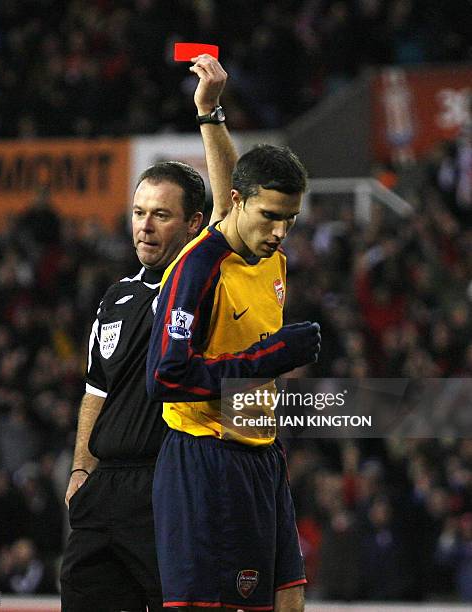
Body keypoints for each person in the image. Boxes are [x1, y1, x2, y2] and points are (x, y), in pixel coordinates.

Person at [60, 54, 238, 612]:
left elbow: (230, 203)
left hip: (169, 486)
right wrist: (80, 470)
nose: (144, 225)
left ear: (191, 225)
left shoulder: (199, 277)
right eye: (138, 212)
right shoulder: (116, 296)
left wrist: (210, 116)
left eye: (161, 215)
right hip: (102, 490)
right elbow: (95, 392)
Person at [147, 144, 321, 612]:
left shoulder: (272, 260)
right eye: (270, 216)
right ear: (238, 201)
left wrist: (212, 112)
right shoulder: (195, 269)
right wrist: (269, 357)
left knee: (289, 602)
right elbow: (165, 379)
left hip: (263, 454)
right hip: (206, 458)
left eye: (291, 219)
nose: (280, 231)